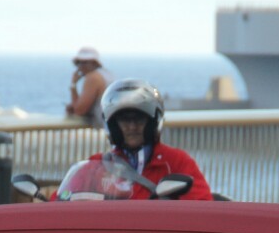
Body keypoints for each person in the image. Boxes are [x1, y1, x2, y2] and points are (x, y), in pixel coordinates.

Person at [85, 78, 213, 201]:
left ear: (153, 122)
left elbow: (202, 207)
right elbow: (73, 201)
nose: (132, 126)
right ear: (113, 125)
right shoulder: (97, 165)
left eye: (139, 119)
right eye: (124, 120)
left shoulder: (176, 161)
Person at [65, 47, 112, 127]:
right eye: (78, 63)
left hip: (103, 128)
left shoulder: (93, 77)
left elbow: (79, 111)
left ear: (94, 63)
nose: (81, 66)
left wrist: (73, 85)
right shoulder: (107, 75)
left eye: (85, 63)